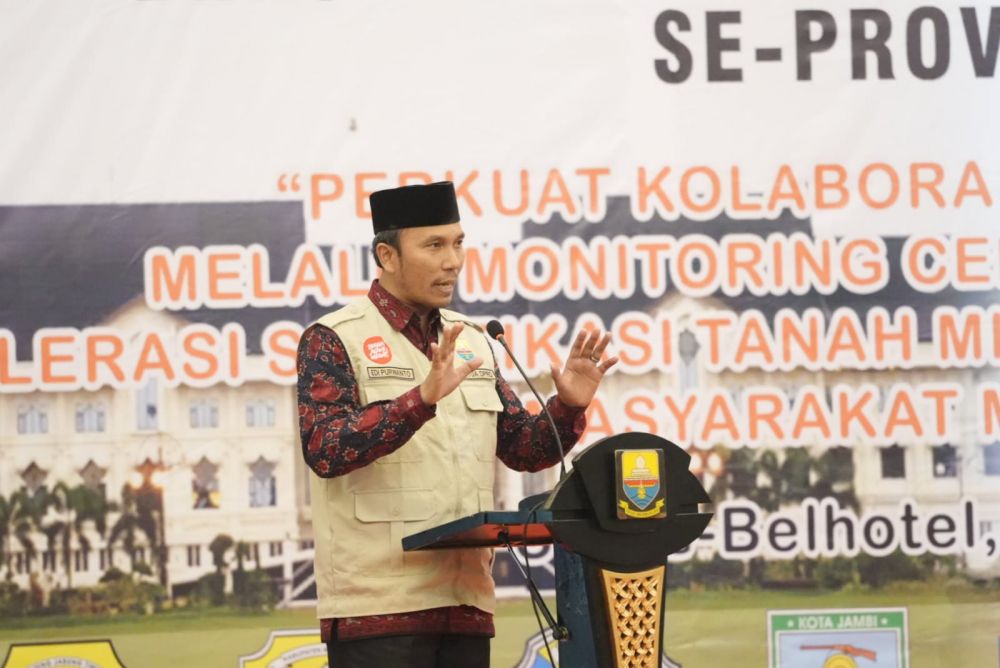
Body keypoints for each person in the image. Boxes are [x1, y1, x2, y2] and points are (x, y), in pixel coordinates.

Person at [296, 181, 618, 667]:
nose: (453, 261)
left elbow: (524, 449)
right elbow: (325, 448)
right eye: (434, 245)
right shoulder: (334, 338)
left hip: (466, 603)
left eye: (458, 243)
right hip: (377, 609)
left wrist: (567, 407)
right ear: (387, 255)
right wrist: (420, 400)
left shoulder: (472, 340)